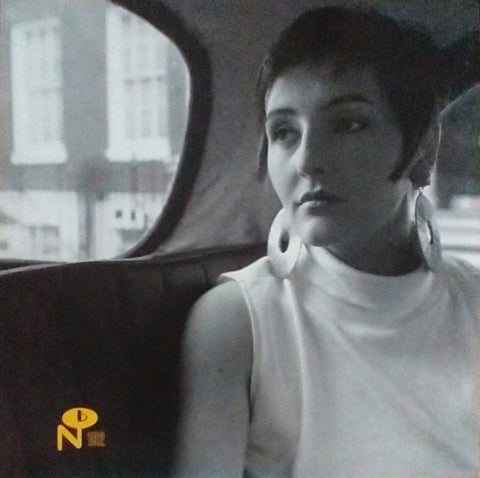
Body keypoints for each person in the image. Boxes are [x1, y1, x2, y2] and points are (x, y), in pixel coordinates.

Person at [175, 7, 480, 477]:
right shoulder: (237, 321)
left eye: (348, 124)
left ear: (423, 147)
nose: (307, 160)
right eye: (284, 132)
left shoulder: (473, 301)